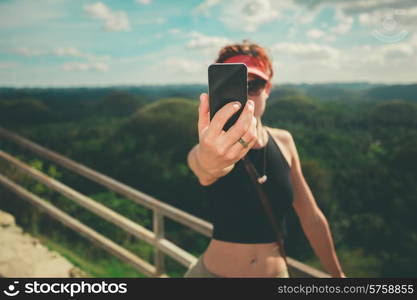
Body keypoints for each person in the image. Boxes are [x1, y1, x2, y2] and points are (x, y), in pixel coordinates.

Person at [184, 40, 346, 278]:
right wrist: (209, 160)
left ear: (268, 88)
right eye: (235, 85)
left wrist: (338, 275)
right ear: (216, 89)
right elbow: (203, 166)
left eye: (254, 84)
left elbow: (311, 216)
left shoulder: (284, 142)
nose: (246, 95)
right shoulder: (214, 146)